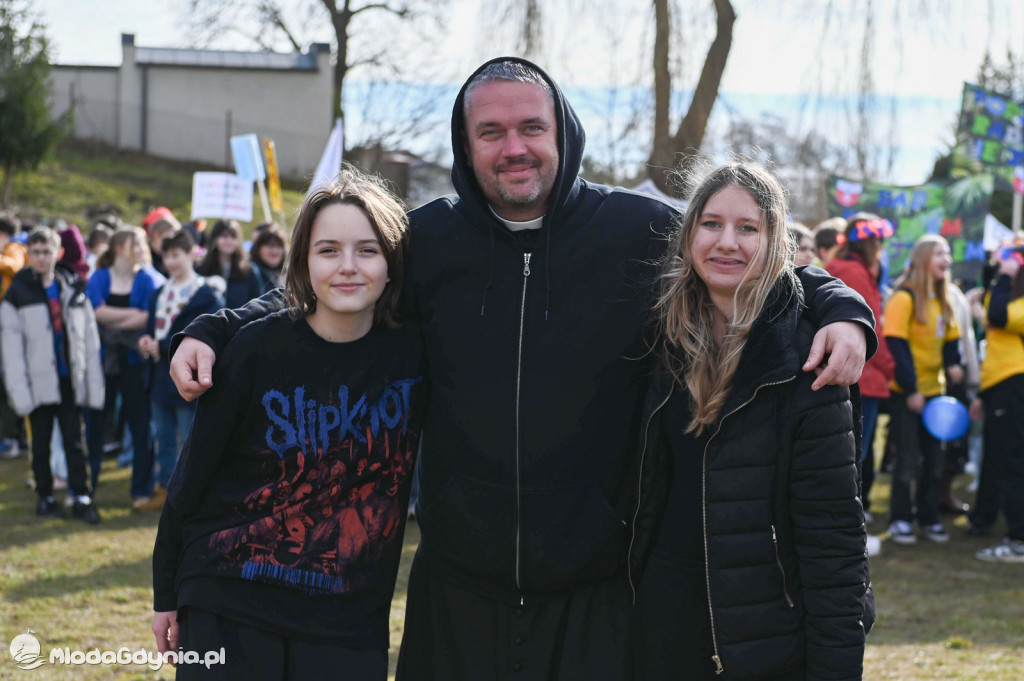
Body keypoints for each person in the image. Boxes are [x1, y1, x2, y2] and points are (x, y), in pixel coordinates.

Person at [169, 58, 875, 680]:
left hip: (596, 591)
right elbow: (325, 284)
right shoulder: (428, 240)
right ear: (466, 145)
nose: (515, 148)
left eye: (531, 127)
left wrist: (845, 308)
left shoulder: (637, 232)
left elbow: (751, 257)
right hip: (456, 590)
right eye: (492, 133)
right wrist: (211, 325)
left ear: (562, 132)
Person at [151, 166, 425, 680]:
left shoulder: (417, 354)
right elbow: (192, 479)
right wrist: (166, 592)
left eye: (367, 250)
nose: (348, 267)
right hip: (229, 598)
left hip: (347, 618)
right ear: (303, 260)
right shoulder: (255, 349)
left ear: (392, 263)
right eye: (328, 250)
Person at [629, 161, 872, 681]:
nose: (727, 243)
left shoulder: (807, 357)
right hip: (658, 618)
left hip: (764, 631)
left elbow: (833, 537)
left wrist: (836, 665)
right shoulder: (656, 335)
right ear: (689, 231)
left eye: (748, 228)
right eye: (712, 223)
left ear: (775, 239)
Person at [0, 227, 104, 523]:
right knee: (41, 443)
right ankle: (44, 496)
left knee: (74, 440)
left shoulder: (74, 288)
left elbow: (89, 338)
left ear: (58, 254)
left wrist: (91, 382)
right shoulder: (17, 294)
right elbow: (11, 348)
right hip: (37, 382)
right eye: (36, 252)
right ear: (28, 255)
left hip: (69, 379)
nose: (41, 257)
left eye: (47, 252)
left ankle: (81, 495)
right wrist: (20, 391)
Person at [883, 234, 964, 545]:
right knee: (907, 459)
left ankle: (928, 517)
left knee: (935, 460)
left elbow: (951, 341)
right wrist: (911, 389)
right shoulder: (904, 298)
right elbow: (897, 346)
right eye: (941, 253)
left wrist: (954, 364)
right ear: (923, 259)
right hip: (907, 393)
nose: (948, 259)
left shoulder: (943, 299)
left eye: (949, 253)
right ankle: (900, 519)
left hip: (936, 396)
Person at [136, 230, 225, 510]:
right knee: (163, 437)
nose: (171, 261)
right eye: (166, 256)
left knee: (191, 439)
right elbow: (154, 328)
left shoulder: (206, 293)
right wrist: (147, 341)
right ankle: (167, 488)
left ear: (191, 254)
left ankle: (195, 493)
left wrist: (162, 347)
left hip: (190, 377)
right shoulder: (159, 292)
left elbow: (210, 336)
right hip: (159, 378)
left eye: (176, 255)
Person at [85, 227, 165, 504]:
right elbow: (94, 311)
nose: (143, 249)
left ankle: (141, 489)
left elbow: (147, 317)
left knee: (141, 425)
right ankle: (86, 488)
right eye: (137, 244)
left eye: (145, 243)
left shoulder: (149, 279)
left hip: (135, 361)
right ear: (119, 248)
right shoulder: (99, 276)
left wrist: (113, 318)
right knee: (96, 423)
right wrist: (131, 314)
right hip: (103, 361)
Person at [826, 212, 896, 521]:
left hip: (853, 372)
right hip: (862, 376)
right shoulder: (853, 273)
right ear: (870, 242)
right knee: (854, 453)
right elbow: (870, 329)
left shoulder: (845, 268)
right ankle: (846, 514)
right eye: (879, 241)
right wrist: (893, 369)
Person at [967, 245, 1024, 561]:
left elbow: (1000, 316)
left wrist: (1006, 275)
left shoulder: (1016, 302)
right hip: (1001, 386)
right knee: (997, 457)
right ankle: (985, 518)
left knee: (1013, 460)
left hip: (1015, 384)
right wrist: (985, 396)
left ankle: (1018, 540)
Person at [0, 210, 29, 459]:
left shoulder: (15, 247)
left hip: (13, 326)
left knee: (9, 381)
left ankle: (11, 438)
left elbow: (14, 266)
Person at [196, 219, 264, 309]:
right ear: (215, 238)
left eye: (233, 236)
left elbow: (257, 306)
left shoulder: (249, 271)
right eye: (224, 236)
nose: (229, 241)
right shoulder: (202, 270)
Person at [250, 224, 287, 292]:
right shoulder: (249, 273)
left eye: (279, 246)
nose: (275, 251)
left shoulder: (287, 275)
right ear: (258, 249)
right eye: (270, 246)